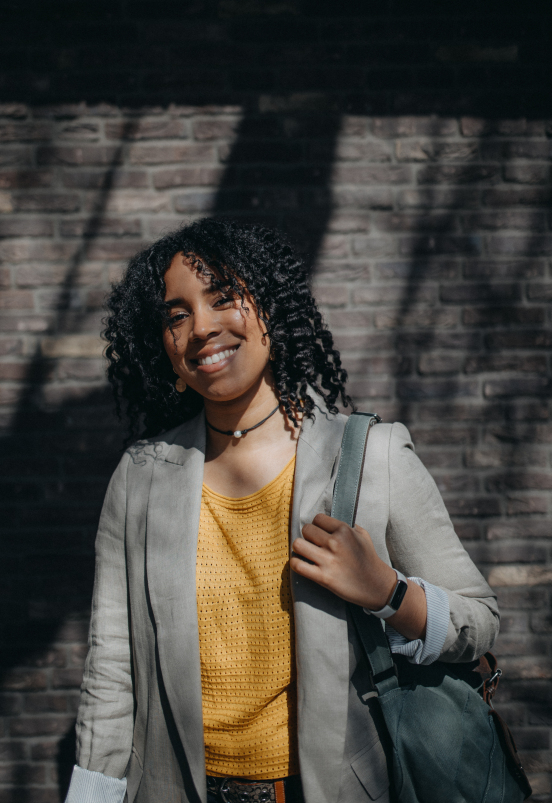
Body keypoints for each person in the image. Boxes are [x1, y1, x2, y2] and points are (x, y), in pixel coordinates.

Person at [64, 218, 499, 803]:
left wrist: (388, 592)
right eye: (176, 315)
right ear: (162, 347)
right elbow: (111, 672)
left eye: (224, 298)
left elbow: (480, 621)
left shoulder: (373, 457)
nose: (202, 328)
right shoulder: (141, 478)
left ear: (272, 307)